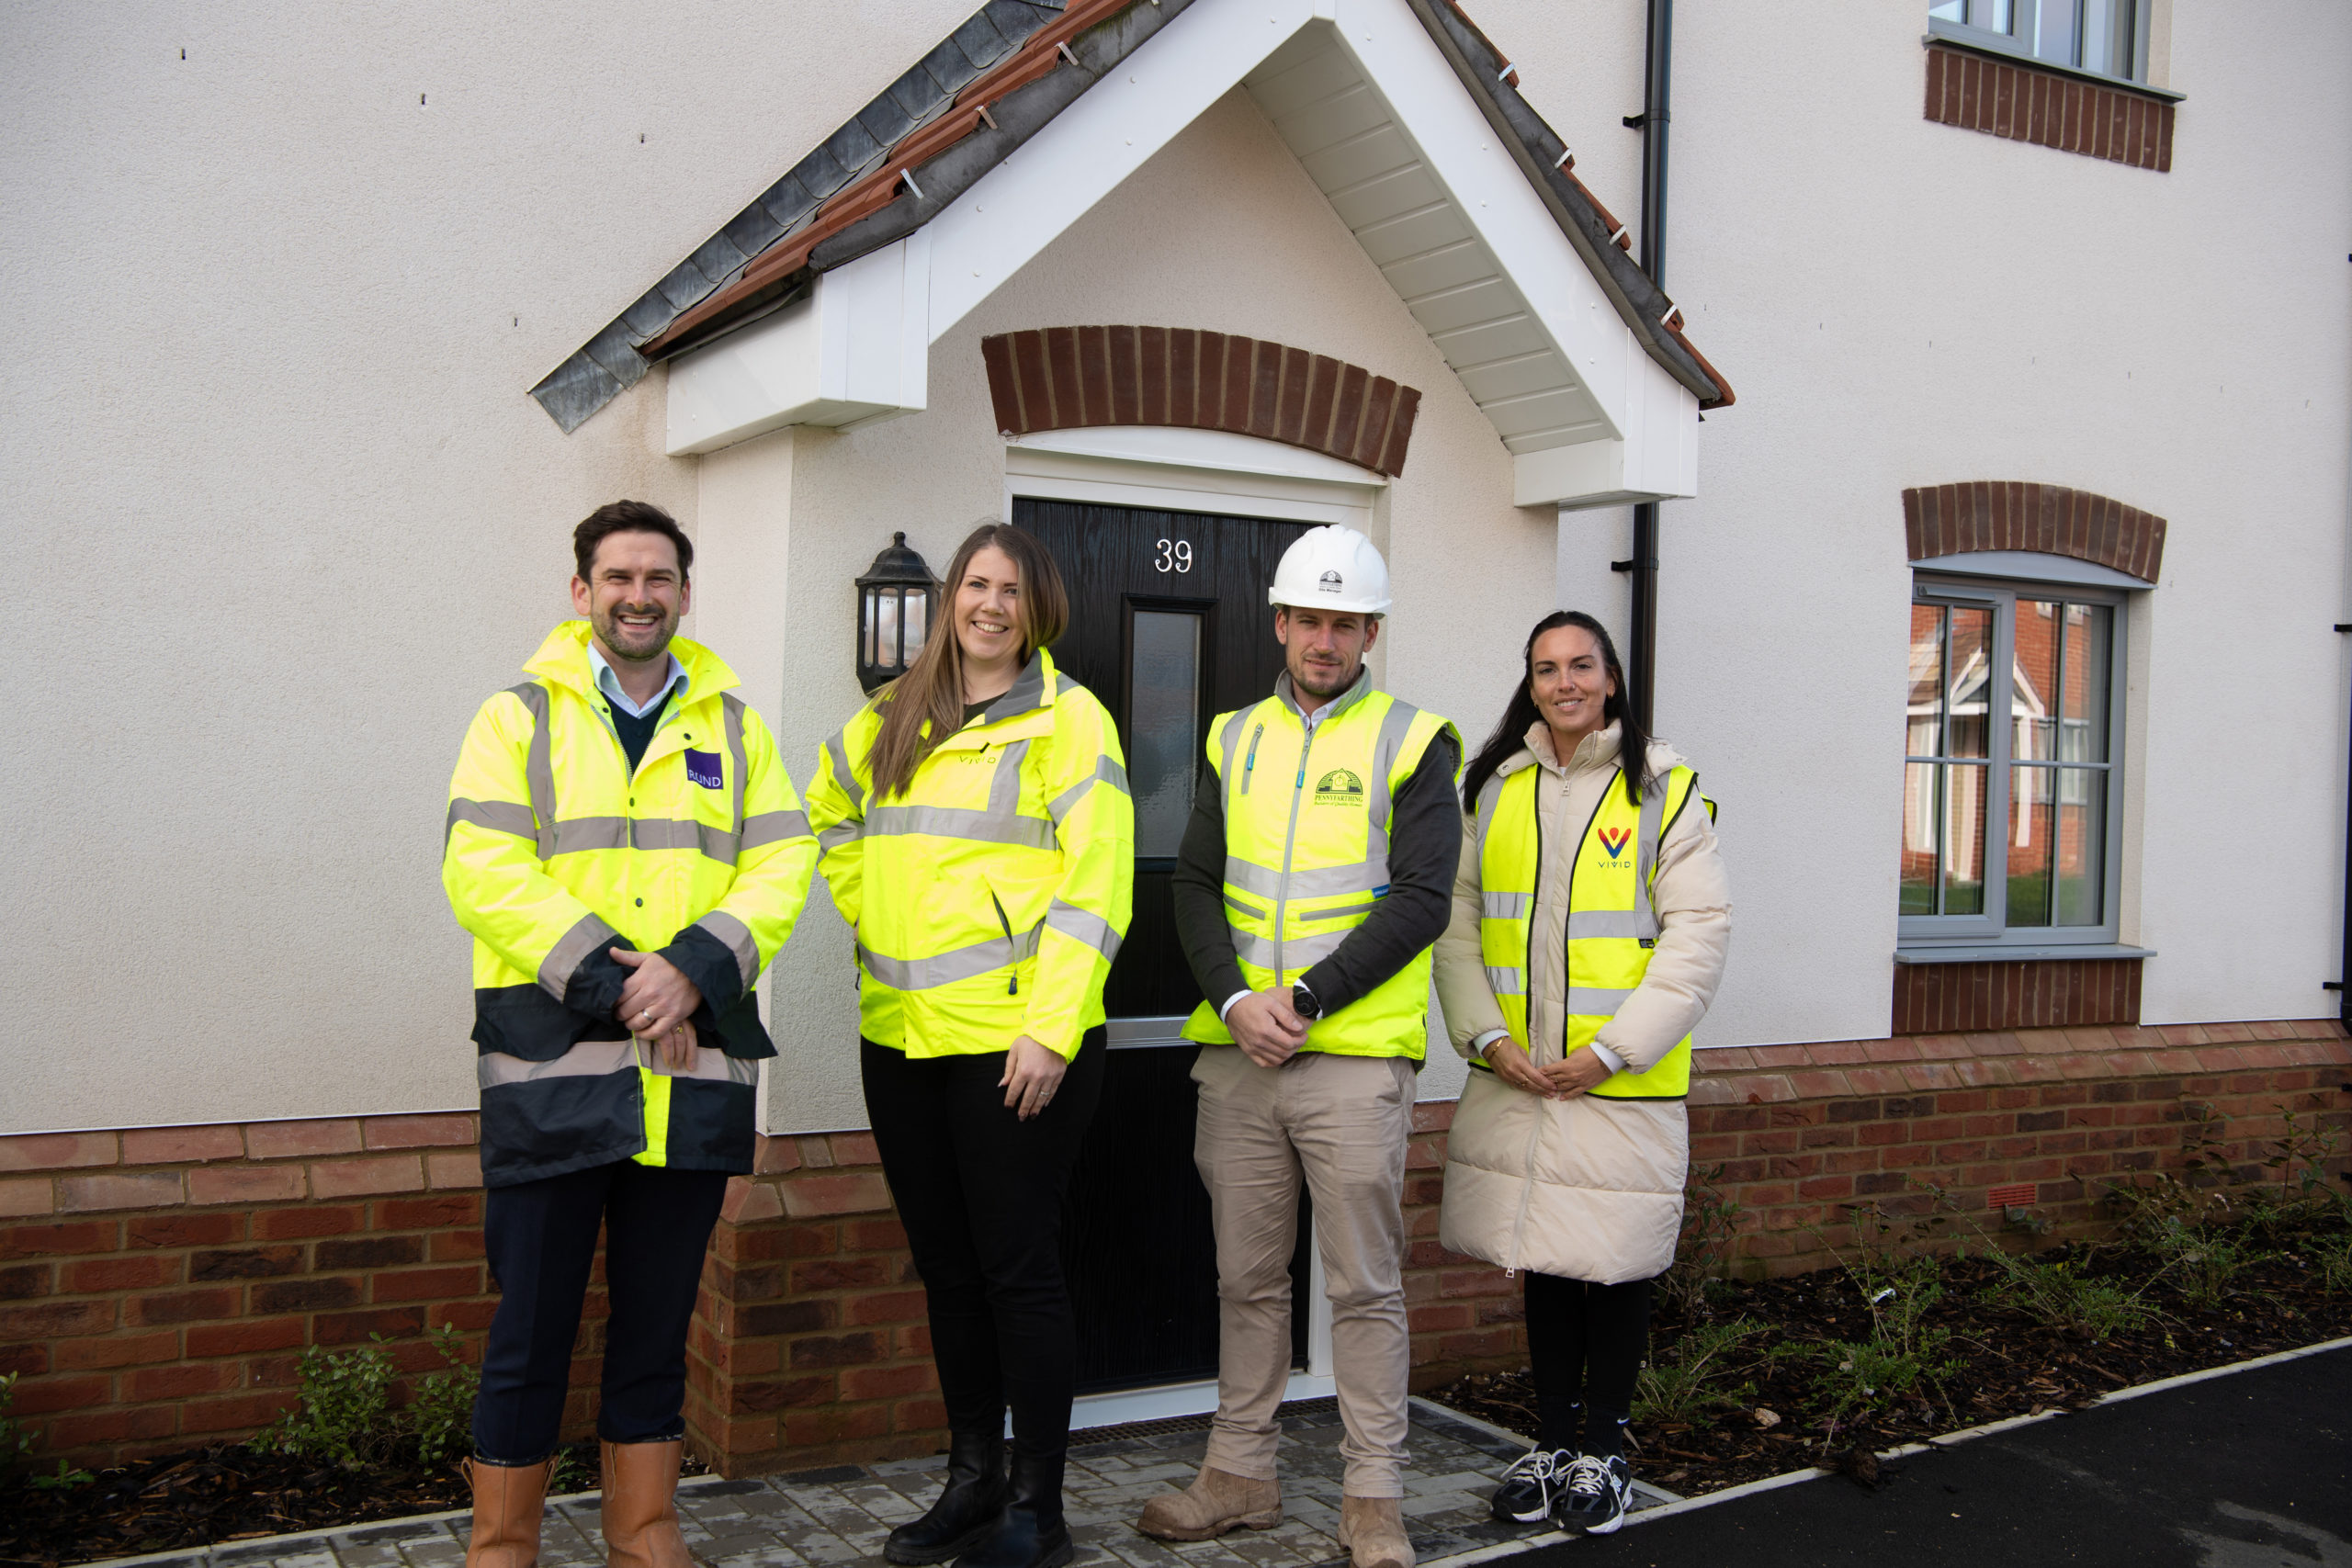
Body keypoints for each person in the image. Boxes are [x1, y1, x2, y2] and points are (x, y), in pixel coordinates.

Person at [442, 501, 817, 1568]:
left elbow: (784, 865)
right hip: (553, 1074)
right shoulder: (516, 718)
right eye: (618, 578)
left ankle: (646, 1533)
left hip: (687, 1082)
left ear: (685, 594)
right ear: (581, 593)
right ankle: (501, 1547)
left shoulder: (736, 728)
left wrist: (694, 971)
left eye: (659, 578)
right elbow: (481, 870)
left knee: (657, 1327)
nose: (639, 596)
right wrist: (628, 988)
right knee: (531, 1333)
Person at [806, 523, 1133, 1568]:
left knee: (1016, 1272)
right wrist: (876, 922)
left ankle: (1040, 1509)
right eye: (976, 585)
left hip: (1016, 1049)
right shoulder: (889, 716)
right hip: (900, 1039)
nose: (990, 605)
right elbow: (832, 823)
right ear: (952, 596)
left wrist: (1049, 1028)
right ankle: (971, 1483)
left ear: (1040, 611)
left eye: (1012, 591)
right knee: (947, 1272)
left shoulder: (1070, 721)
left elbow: (1098, 883)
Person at [1136, 526, 1460, 1568]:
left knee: (1363, 1285)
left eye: (1345, 623)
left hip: (1353, 1057)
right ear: (1280, 622)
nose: (1324, 639)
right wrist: (1234, 999)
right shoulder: (1233, 737)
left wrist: (1307, 998)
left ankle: (1373, 1497)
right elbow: (1192, 883)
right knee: (1245, 1279)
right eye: (1308, 619)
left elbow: (1420, 898)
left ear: (1372, 631)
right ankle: (1239, 1474)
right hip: (1240, 1056)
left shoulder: (1415, 740)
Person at [1433, 610, 1730, 1537]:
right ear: (1530, 684)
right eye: (1544, 668)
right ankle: (1551, 1442)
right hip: (1522, 1077)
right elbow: (1454, 921)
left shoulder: (1665, 791)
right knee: (1548, 1267)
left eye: (1579, 666)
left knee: (1616, 1272)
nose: (1562, 682)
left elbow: (1697, 937)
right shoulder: (1491, 788)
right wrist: (1486, 1038)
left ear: (1609, 679)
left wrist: (1609, 1051)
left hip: (1618, 1085)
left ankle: (1606, 1448)